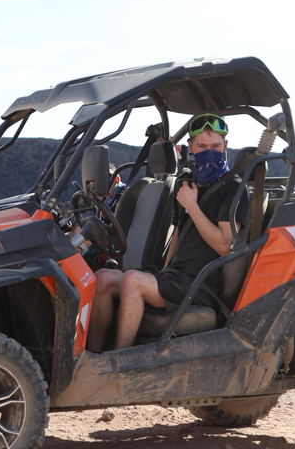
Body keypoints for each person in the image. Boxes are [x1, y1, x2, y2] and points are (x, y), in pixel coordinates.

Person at [86, 114, 248, 352]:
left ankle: (118, 364)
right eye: (202, 146)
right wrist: (163, 272)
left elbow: (225, 245)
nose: (209, 152)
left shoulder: (233, 189)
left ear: (225, 146)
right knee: (102, 278)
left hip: (200, 285)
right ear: (191, 147)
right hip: (174, 277)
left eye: (215, 146)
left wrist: (192, 207)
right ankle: (93, 358)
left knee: (132, 281)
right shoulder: (189, 183)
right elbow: (178, 235)